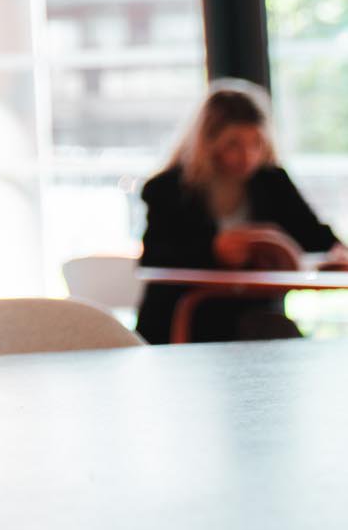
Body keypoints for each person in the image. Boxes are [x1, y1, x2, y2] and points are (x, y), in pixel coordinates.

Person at [135, 81, 348, 344]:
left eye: (256, 143)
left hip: (251, 315)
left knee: (275, 332)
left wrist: (336, 250)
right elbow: (154, 258)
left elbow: (313, 234)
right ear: (208, 143)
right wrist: (213, 251)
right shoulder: (168, 189)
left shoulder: (271, 181)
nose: (247, 156)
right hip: (183, 319)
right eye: (233, 144)